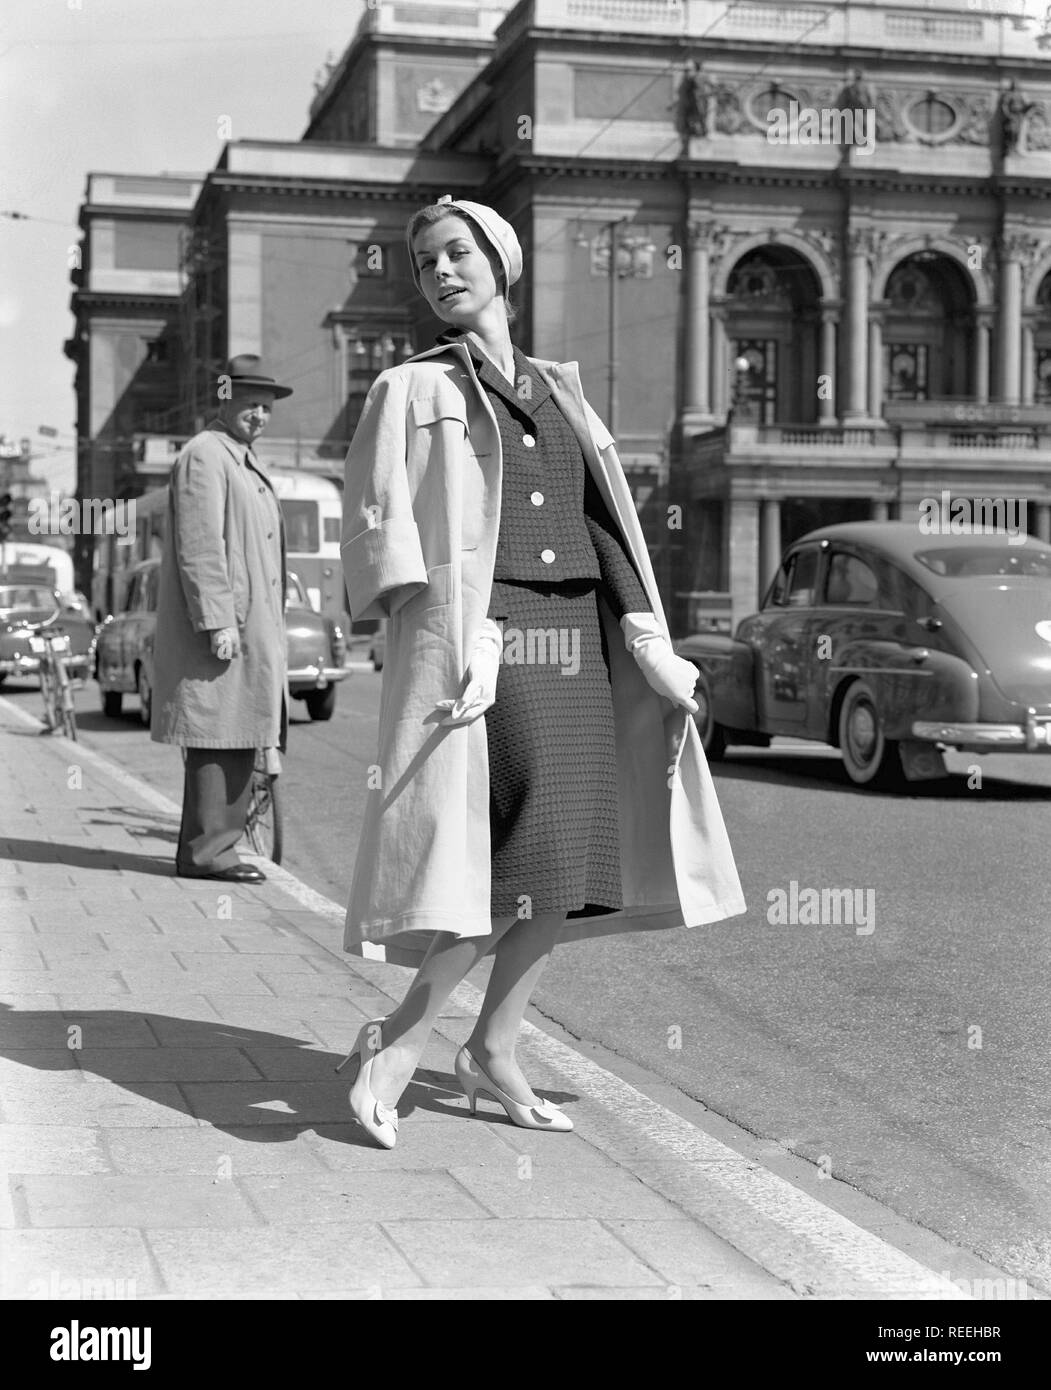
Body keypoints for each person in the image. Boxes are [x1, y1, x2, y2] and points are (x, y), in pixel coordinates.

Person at [338, 197, 746, 1149]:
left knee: (564, 864)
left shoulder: (563, 392)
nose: (439, 271)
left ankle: (494, 1043)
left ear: (501, 262)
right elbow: (376, 518)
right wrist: (447, 627)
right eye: (423, 261)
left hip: (578, 640)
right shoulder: (409, 387)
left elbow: (602, 522)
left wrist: (647, 639)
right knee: (509, 858)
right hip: (496, 639)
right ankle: (396, 1046)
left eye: (456, 253)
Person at [151, 355, 291, 884]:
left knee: (237, 732)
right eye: (250, 403)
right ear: (224, 399)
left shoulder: (238, 458)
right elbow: (201, 545)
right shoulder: (206, 455)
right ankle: (208, 853)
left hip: (248, 626)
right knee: (217, 734)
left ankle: (216, 847)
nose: (259, 414)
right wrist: (218, 621)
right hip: (227, 629)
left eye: (267, 406)